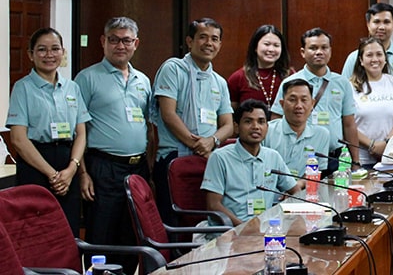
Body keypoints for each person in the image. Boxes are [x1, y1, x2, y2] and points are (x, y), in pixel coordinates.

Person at [74, 17, 151, 273]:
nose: (121, 45)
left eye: (126, 40)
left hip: (137, 167)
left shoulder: (143, 80)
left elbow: (148, 127)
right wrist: (83, 173)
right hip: (102, 167)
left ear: (136, 43)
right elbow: (78, 130)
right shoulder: (86, 78)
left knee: (131, 234)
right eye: (114, 39)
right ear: (103, 42)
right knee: (101, 235)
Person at [7, 27, 90, 237]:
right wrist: (52, 175)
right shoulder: (22, 88)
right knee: (36, 232)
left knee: (68, 231)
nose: (49, 55)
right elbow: (18, 139)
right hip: (36, 164)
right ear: (31, 55)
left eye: (55, 49)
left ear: (63, 52)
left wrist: (72, 169)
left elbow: (80, 133)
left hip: (67, 164)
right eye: (42, 50)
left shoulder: (72, 88)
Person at [151, 18, 234, 225]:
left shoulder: (219, 81)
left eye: (214, 39)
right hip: (174, 158)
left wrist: (211, 141)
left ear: (220, 45)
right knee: (173, 220)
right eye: (203, 37)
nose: (209, 43)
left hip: (207, 160)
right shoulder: (173, 69)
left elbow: (228, 125)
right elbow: (168, 114)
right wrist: (197, 144)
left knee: (202, 218)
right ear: (190, 41)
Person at [270, 28, 359, 176]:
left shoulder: (342, 83)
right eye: (313, 48)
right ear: (302, 52)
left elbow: (349, 124)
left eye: (324, 47)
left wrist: (355, 162)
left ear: (330, 50)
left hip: (334, 157)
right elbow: (276, 120)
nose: (319, 52)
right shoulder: (290, 82)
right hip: (301, 157)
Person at [202, 100, 298, 226]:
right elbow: (213, 205)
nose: (255, 127)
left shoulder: (273, 156)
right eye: (248, 121)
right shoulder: (220, 157)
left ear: (267, 127)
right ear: (236, 127)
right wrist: (244, 229)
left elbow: (296, 192)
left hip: (266, 230)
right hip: (229, 233)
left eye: (261, 122)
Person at [349, 37, 393, 168]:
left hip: (392, 156)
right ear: (361, 60)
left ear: (385, 58)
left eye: (379, 54)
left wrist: (386, 143)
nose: (375, 59)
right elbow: (348, 124)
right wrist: (372, 145)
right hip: (361, 159)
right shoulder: (350, 87)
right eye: (369, 55)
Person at [341, 3, 393, 95]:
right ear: (368, 24)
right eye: (376, 22)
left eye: (386, 22)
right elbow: (344, 91)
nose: (381, 27)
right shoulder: (354, 57)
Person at [262, 79, 331, 180]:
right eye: (292, 100)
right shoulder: (266, 131)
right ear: (282, 104)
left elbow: (316, 171)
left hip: (303, 192)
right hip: (271, 191)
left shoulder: (322, 135)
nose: (299, 106)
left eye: (304, 100)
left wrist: (297, 187)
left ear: (312, 104)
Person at [227, 25, 291, 109]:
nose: (271, 49)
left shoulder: (291, 76)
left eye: (276, 45)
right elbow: (230, 114)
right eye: (266, 44)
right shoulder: (238, 78)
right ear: (255, 47)